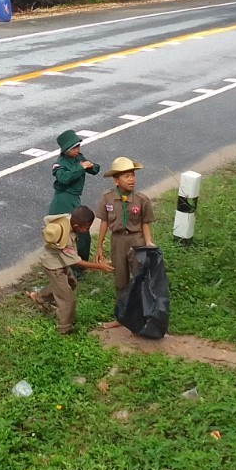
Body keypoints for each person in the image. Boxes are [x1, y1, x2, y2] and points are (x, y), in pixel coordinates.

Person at [27, 206, 113, 334]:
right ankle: (64, 328)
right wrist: (99, 266)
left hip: (60, 261)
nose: (87, 230)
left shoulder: (67, 219)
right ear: (77, 226)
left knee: (71, 283)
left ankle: (39, 297)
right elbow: (77, 262)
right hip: (54, 266)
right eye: (86, 228)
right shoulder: (66, 239)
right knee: (67, 300)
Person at [94, 157, 155, 328]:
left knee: (140, 278)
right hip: (118, 241)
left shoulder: (141, 199)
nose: (131, 179)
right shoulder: (107, 199)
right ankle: (121, 317)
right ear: (116, 180)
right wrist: (99, 246)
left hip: (136, 240)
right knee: (120, 280)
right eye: (126, 176)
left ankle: (144, 317)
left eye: (133, 175)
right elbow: (104, 222)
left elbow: (145, 222)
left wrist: (148, 242)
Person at [48, 129, 99, 262]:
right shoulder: (59, 164)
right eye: (74, 148)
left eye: (78, 147)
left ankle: (82, 261)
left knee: (82, 232)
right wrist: (80, 168)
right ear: (65, 150)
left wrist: (90, 166)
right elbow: (64, 178)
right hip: (63, 200)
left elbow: (95, 170)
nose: (77, 150)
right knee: (67, 232)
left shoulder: (79, 158)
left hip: (75, 198)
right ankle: (69, 262)